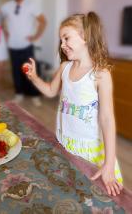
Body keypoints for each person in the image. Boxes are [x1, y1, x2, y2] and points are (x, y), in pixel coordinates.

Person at [25, 12, 123, 196]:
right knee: (71, 189)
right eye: (61, 40)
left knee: (93, 194)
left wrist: (108, 164)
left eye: (66, 38)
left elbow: (107, 119)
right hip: (65, 142)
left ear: (84, 37)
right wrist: (35, 77)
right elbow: (51, 91)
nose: (62, 45)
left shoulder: (100, 74)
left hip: (90, 150)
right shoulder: (64, 68)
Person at [1, 0, 46, 106]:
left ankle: (34, 95)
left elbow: (43, 21)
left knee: (30, 71)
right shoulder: (6, 6)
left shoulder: (31, 5)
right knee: (16, 71)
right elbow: (0, 20)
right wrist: (5, 30)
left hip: (26, 45)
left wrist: (36, 36)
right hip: (12, 45)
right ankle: (19, 94)